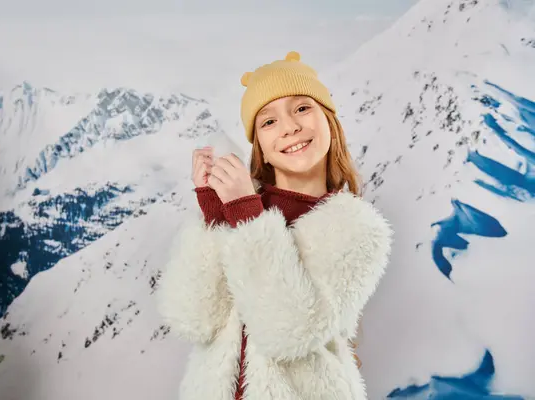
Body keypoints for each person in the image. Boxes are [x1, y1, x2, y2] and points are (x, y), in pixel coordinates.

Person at [157, 51, 393, 400]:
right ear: (261, 150)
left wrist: (247, 216)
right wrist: (214, 217)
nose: (289, 127)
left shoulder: (359, 230)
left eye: (302, 108)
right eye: (267, 122)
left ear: (331, 122)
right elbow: (193, 318)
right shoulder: (239, 208)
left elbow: (291, 331)